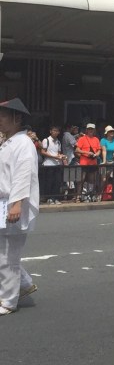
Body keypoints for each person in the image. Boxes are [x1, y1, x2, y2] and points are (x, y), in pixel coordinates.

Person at [0, 99, 40, 316]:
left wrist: (16, 204)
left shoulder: (23, 143)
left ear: (17, 118)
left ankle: (7, 301)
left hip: (12, 203)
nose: (0, 120)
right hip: (3, 202)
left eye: (3, 116)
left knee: (8, 255)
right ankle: (23, 284)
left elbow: (23, 175)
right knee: (3, 252)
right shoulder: (9, 142)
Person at [40, 125, 67, 204]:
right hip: (48, 164)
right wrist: (53, 156)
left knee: (57, 181)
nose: (55, 132)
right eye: (54, 130)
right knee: (49, 182)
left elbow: (58, 153)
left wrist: (61, 156)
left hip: (57, 164)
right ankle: (49, 198)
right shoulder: (46, 140)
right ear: (50, 131)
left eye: (57, 131)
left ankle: (55, 198)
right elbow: (43, 151)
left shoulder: (58, 141)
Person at [75, 123, 100, 202]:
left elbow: (99, 150)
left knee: (91, 179)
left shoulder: (96, 139)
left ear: (94, 130)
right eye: (89, 129)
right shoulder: (82, 139)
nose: (90, 131)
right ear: (86, 130)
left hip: (93, 162)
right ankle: (78, 196)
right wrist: (87, 153)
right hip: (84, 162)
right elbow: (77, 150)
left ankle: (89, 194)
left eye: (92, 129)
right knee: (81, 179)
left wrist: (96, 154)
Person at [100, 125, 114, 200]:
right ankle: (99, 193)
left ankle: (104, 194)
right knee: (103, 179)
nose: (111, 133)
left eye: (112, 131)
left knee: (108, 179)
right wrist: (104, 161)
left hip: (111, 161)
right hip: (104, 161)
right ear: (107, 133)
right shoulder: (103, 140)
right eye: (110, 131)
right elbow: (104, 151)